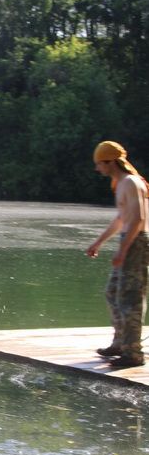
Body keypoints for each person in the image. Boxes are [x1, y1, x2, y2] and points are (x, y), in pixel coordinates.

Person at [85, 140, 149, 367]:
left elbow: (139, 218)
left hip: (137, 243)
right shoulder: (119, 182)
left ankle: (133, 353)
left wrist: (123, 250)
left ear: (111, 161)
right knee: (113, 293)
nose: (97, 168)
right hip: (128, 240)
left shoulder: (131, 182)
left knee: (130, 298)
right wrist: (98, 243)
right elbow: (121, 219)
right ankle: (120, 343)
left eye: (99, 163)